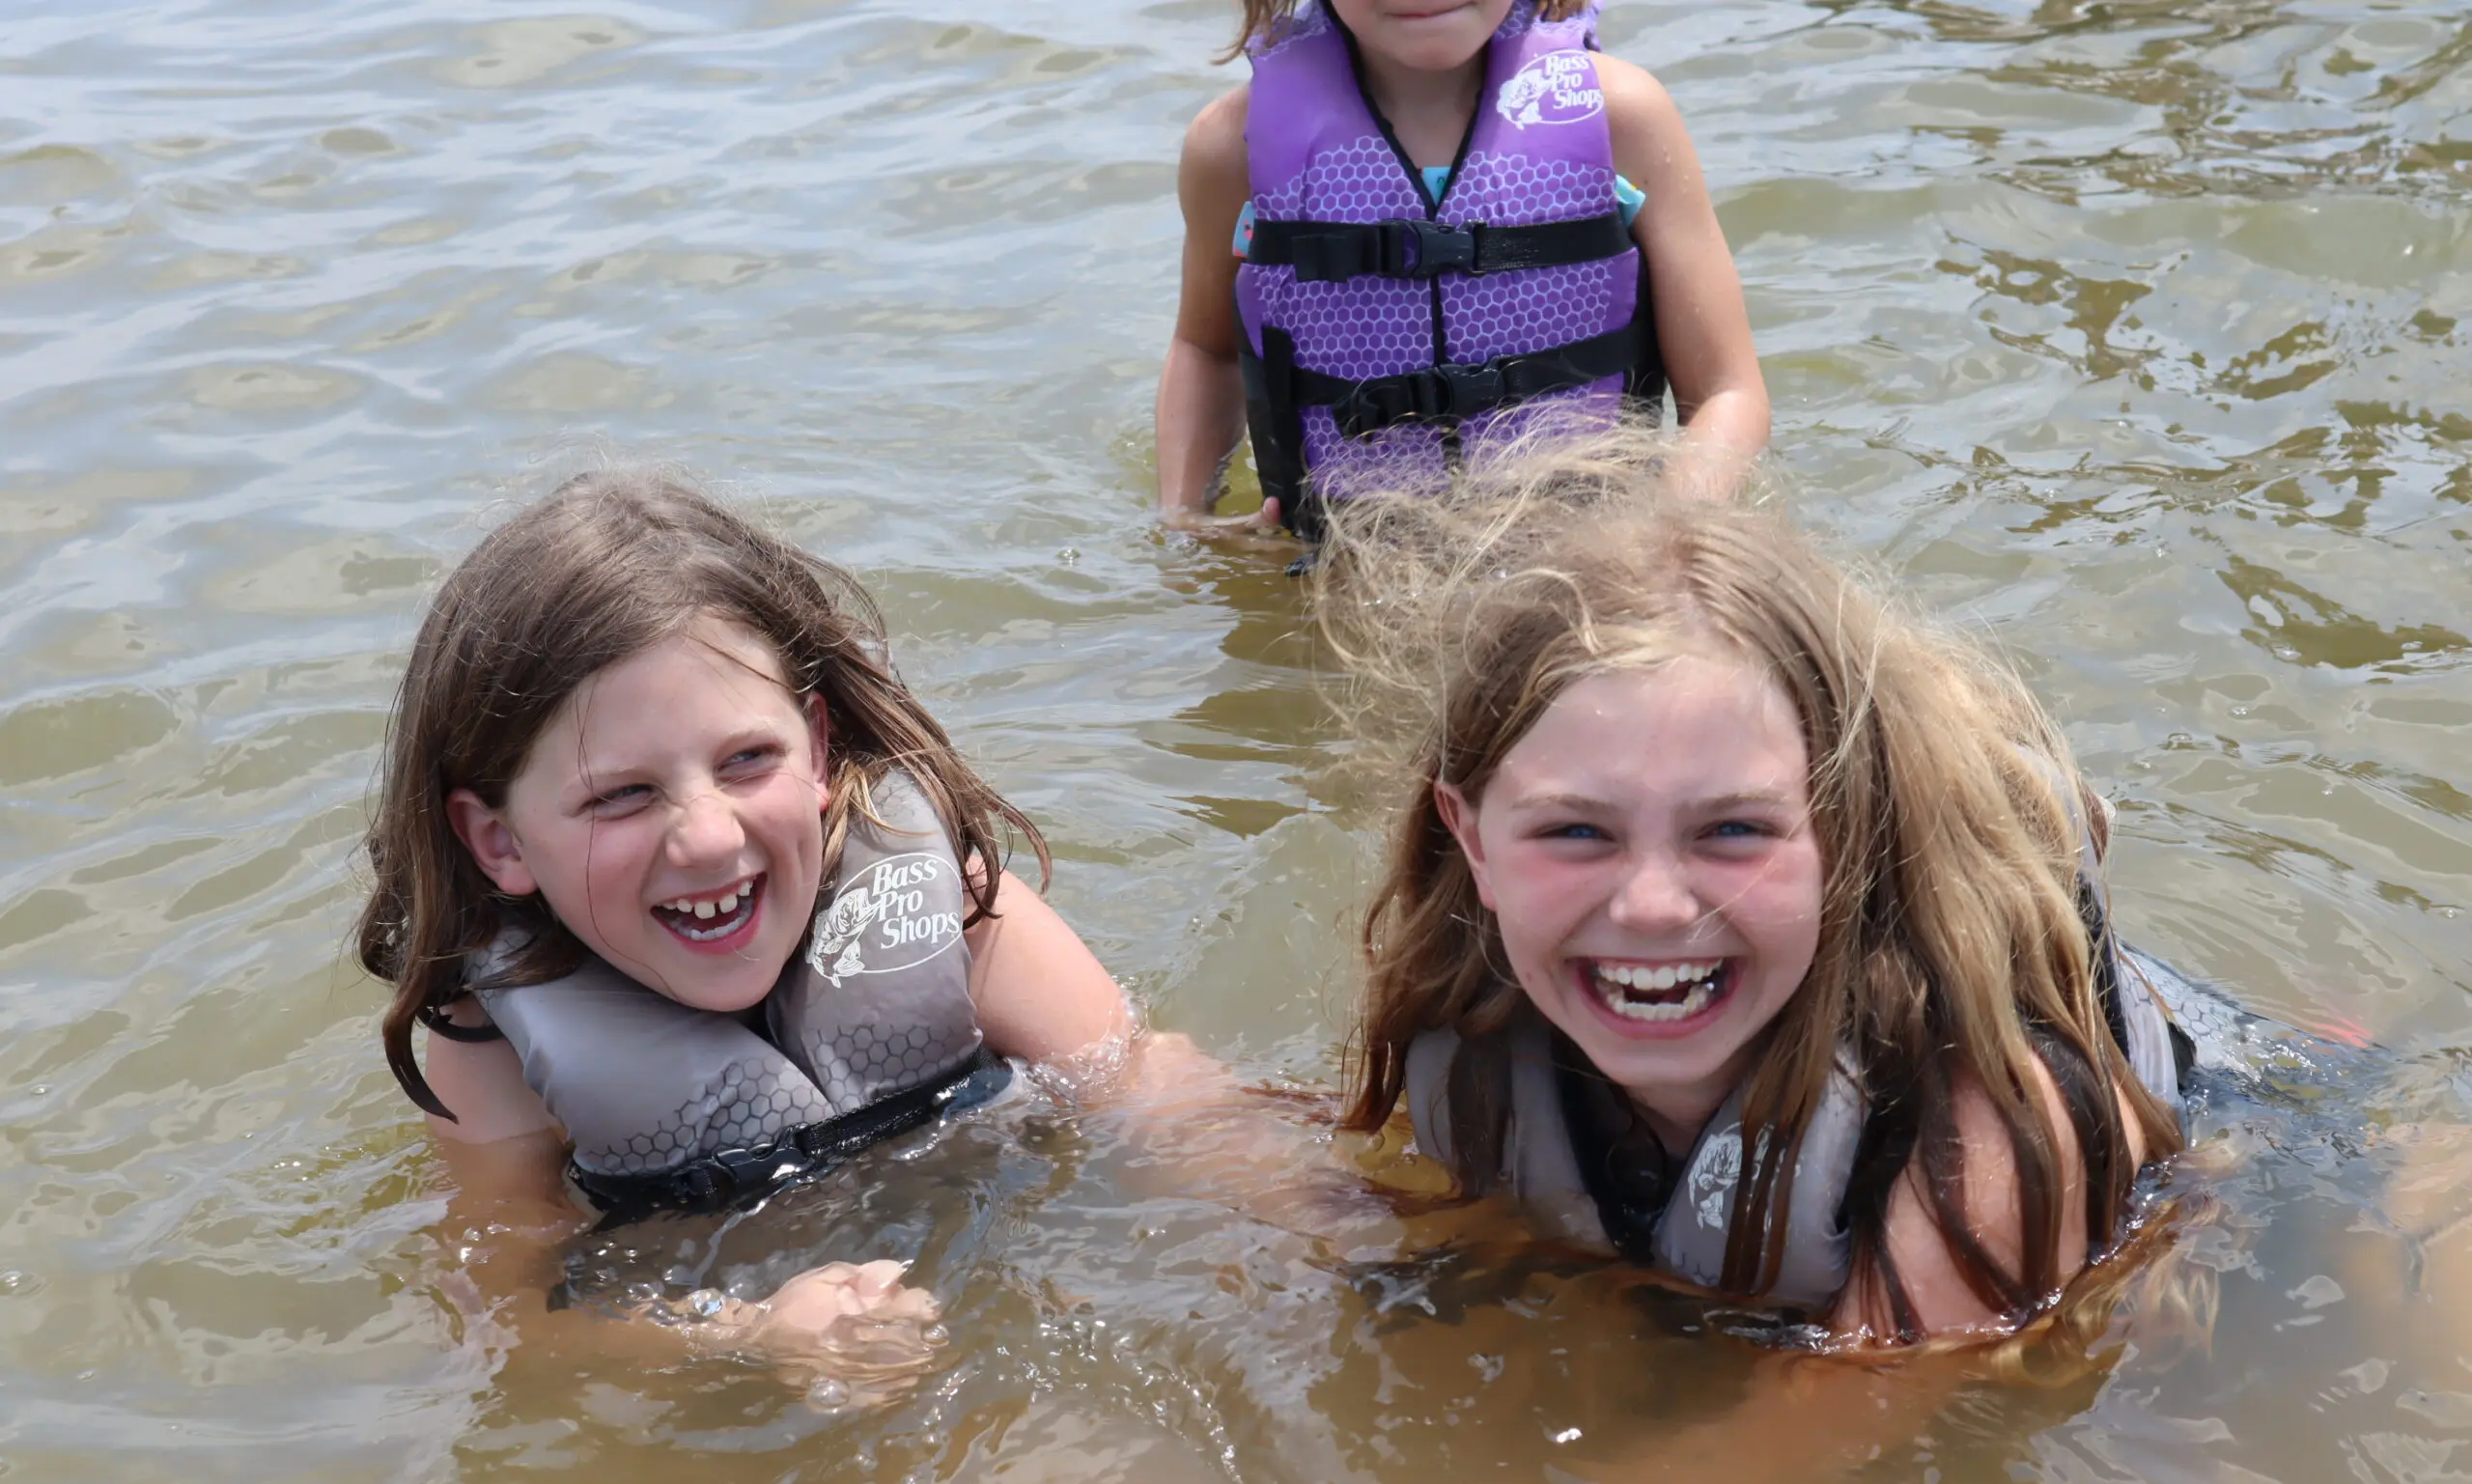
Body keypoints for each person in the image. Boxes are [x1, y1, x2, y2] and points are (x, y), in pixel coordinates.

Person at [1313, 424, 2189, 1344]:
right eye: (1576, 831)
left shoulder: (1981, 1132)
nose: (1652, 907)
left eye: (1733, 830)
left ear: (1847, 837)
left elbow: (1818, 1434)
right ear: (1474, 844)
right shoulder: (1469, 1016)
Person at [356, 472, 1129, 1376]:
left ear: (818, 749)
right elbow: (513, 1317)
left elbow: (1158, 1095)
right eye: (623, 793)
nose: (711, 837)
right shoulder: (492, 1048)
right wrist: (746, 1336)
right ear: (499, 839)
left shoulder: (941, 899)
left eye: (748, 758)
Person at [1156, 0, 1768, 549]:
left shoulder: (1623, 118)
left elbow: (1727, 391)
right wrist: (1185, 522)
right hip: (1339, 569)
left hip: (1590, 570)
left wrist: (1661, 537)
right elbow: (1207, 350)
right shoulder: (1231, 149)